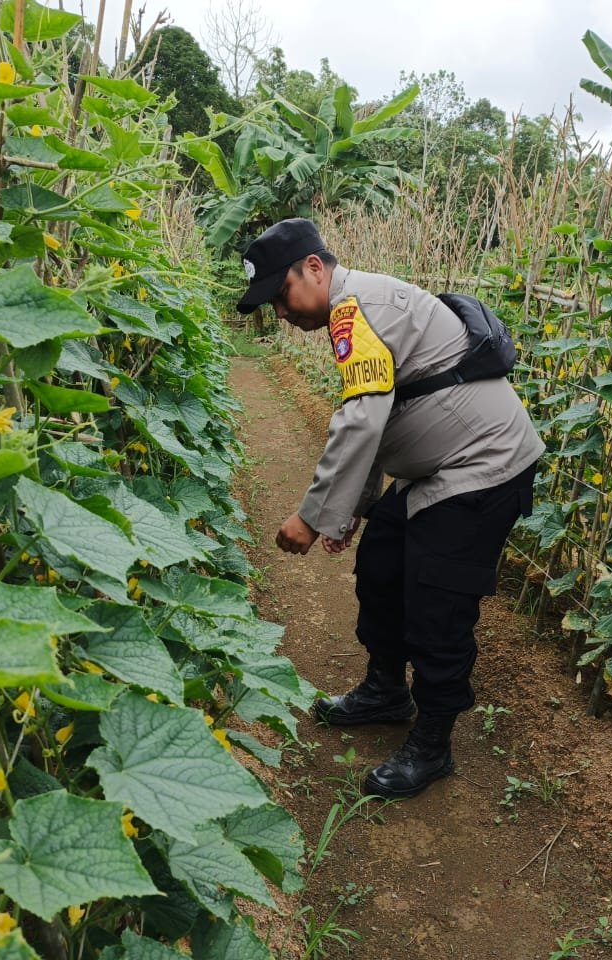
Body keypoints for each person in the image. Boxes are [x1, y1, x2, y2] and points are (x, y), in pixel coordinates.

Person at [237, 218, 544, 798]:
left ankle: (433, 744)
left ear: (315, 268)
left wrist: (312, 516)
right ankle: (385, 691)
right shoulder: (352, 311)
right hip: (439, 468)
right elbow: (383, 414)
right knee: (382, 560)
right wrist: (356, 507)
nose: (281, 311)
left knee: (437, 599)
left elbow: (361, 420)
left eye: (282, 294)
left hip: (483, 467)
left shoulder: (354, 312)